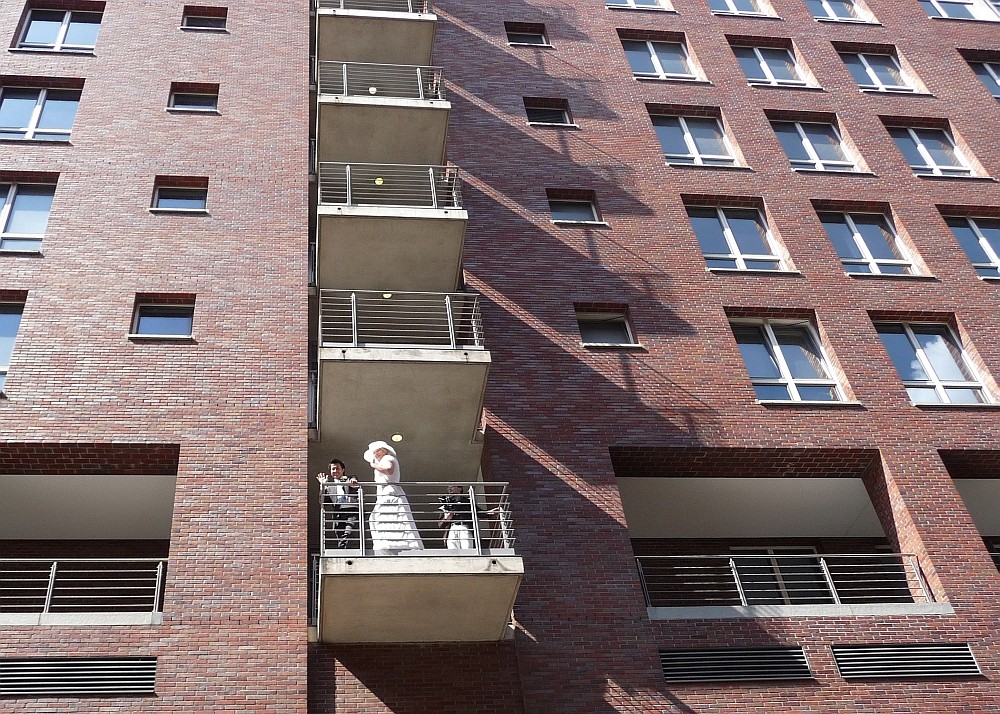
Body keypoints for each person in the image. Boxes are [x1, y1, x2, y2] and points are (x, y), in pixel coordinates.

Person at [364, 440, 423, 552]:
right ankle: (389, 544)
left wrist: (374, 465)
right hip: (384, 493)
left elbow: (389, 470)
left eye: (377, 451)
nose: (375, 454)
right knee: (378, 518)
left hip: (389, 493)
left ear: (383, 451)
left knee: (390, 517)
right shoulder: (384, 460)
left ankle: (396, 545)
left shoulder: (387, 458)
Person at [316, 458, 360, 549]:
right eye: (333, 469)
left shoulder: (348, 479)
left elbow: (353, 482)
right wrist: (322, 486)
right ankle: (342, 552)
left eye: (337, 468)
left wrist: (352, 481)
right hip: (338, 514)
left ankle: (342, 552)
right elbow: (322, 501)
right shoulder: (329, 487)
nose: (335, 471)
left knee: (348, 533)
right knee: (341, 536)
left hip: (351, 511)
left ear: (343, 470)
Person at [437, 484, 476, 550]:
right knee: (452, 549)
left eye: (452, 486)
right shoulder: (446, 503)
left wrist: (490, 513)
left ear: (460, 489)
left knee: (467, 548)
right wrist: (446, 519)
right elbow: (440, 524)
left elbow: (478, 512)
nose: (449, 489)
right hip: (452, 528)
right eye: (448, 487)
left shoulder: (467, 502)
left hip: (464, 527)